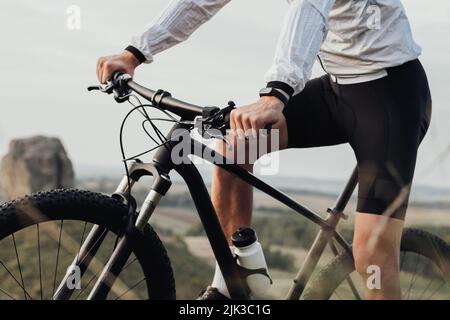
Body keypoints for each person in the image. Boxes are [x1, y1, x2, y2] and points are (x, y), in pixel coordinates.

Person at [96, 0, 432, 300]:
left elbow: (310, 7)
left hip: (391, 98)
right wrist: (135, 53)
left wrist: (276, 94)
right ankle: (235, 280)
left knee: (373, 260)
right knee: (231, 149)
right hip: (337, 90)